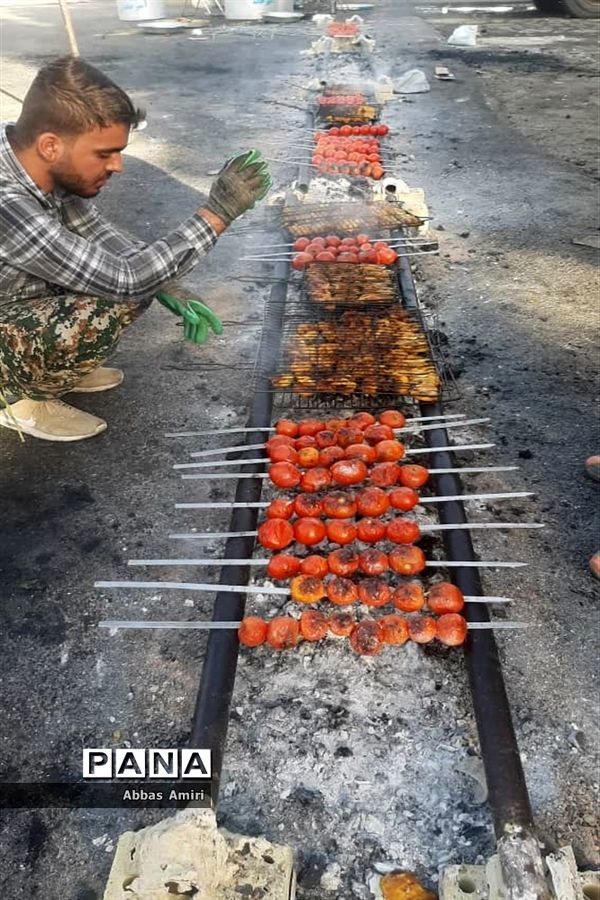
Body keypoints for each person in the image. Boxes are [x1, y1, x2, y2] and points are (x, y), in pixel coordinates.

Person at [0, 56, 270, 442]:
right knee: (112, 300)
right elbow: (123, 280)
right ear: (50, 146)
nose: (118, 166)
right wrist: (217, 214)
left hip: (14, 300)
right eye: (104, 153)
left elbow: (97, 234)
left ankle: (51, 370)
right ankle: (22, 401)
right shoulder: (5, 201)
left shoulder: (32, 160)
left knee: (145, 277)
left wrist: (168, 283)